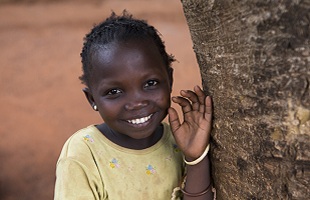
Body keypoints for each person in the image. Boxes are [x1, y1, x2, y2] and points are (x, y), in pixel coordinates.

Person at [54, 11, 213, 200]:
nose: (137, 103)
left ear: (169, 79)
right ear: (92, 99)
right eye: (114, 92)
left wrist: (195, 158)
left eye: (150, 83)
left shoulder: (179, 143)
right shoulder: (83, 154)